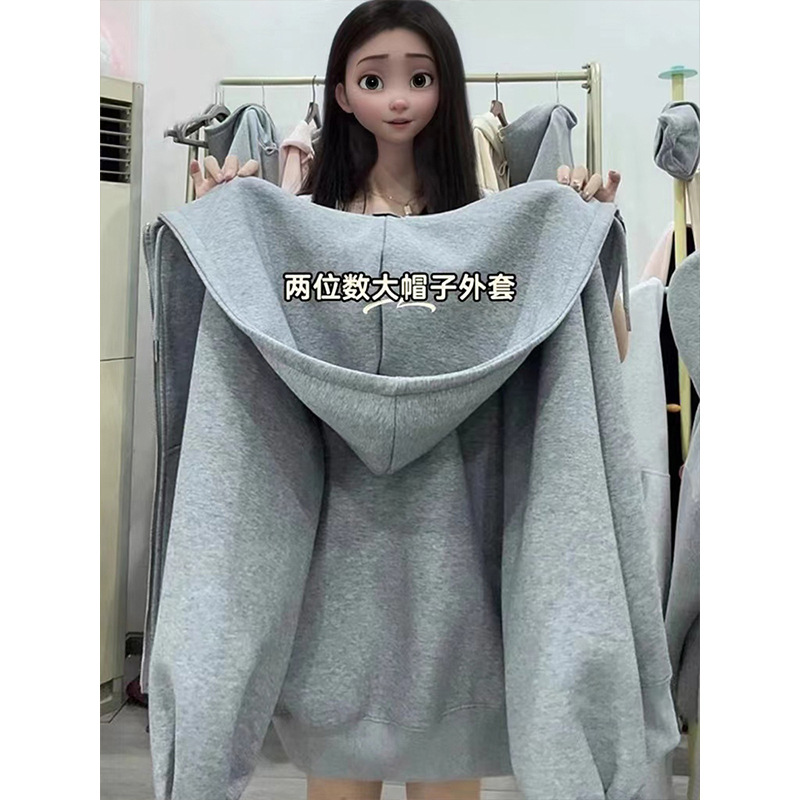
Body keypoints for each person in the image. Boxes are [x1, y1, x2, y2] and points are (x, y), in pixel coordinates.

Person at [187, 2, 627, 797]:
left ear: (446, 89)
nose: (398, 98)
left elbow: (608, 354)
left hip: (445, 578)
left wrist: (579, 241)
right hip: (356, 572)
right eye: (373, 79)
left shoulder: (497, 230)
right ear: (341, 94)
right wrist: (226, 233)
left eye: (419, 79)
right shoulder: (300, 231)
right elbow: (229, 373)